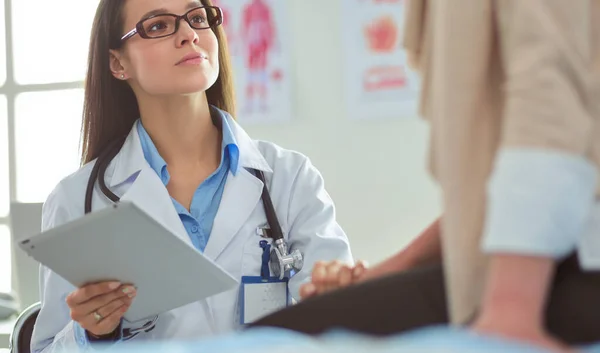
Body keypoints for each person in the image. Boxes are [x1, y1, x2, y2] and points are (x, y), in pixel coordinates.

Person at [251, 0, 600, 351]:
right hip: (535, 257)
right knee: (284, 329)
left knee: (277, 338)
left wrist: (513, 307)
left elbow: (550, 100)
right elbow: (486, 199)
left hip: (574, 262)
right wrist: (386, 272)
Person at [30, 0, 353, 351]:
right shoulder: (77, 199)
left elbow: (341, 325)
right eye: (157, 26)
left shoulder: (290, 180)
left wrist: (338, 300)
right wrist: (91, 333)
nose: (188, 34)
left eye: (197, 19)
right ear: (118, 63)